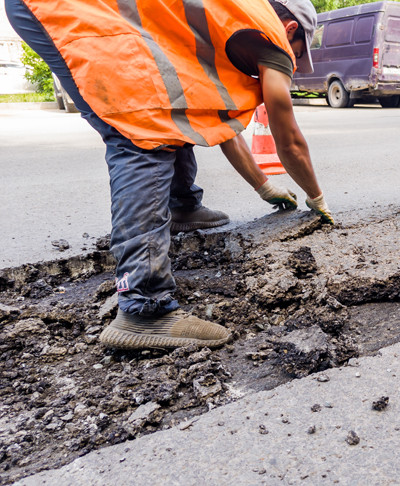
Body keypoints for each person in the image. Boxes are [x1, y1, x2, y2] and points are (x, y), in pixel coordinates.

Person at [6, 0, 331, 350]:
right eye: (298, 53)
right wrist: (317, 198)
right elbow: (289, 140)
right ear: (291, 30)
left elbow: (211, 114)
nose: (294, 62)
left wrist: (264, 187)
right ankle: (144, 309)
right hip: (68, 10)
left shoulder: (229, 17)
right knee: (141, 131)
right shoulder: (271, 36)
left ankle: (181, 206)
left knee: (170, 106)